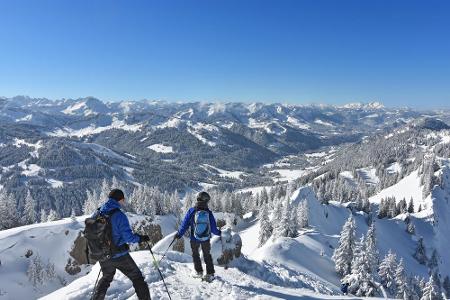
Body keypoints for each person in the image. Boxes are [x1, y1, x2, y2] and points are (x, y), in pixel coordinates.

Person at [93, 189, 151, 300]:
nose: (124, 202)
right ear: (120, 199)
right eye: (123, 199)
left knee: (105, 279)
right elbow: (128, 237)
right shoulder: (119, 215)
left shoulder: (98, 212)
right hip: (119, 255)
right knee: (137, 278)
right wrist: (140, 238)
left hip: (103, 255)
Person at [175, 191, 221, 281]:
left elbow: (184, 224)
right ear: (206, 201)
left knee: (195, 254)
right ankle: (210, 274)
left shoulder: (192, 211)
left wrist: (179, 234)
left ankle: (199, 272)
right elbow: (214, 229)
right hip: (206, 238)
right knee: (207, 255)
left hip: (194, 238)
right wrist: (220, 233)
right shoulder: (209, 213)